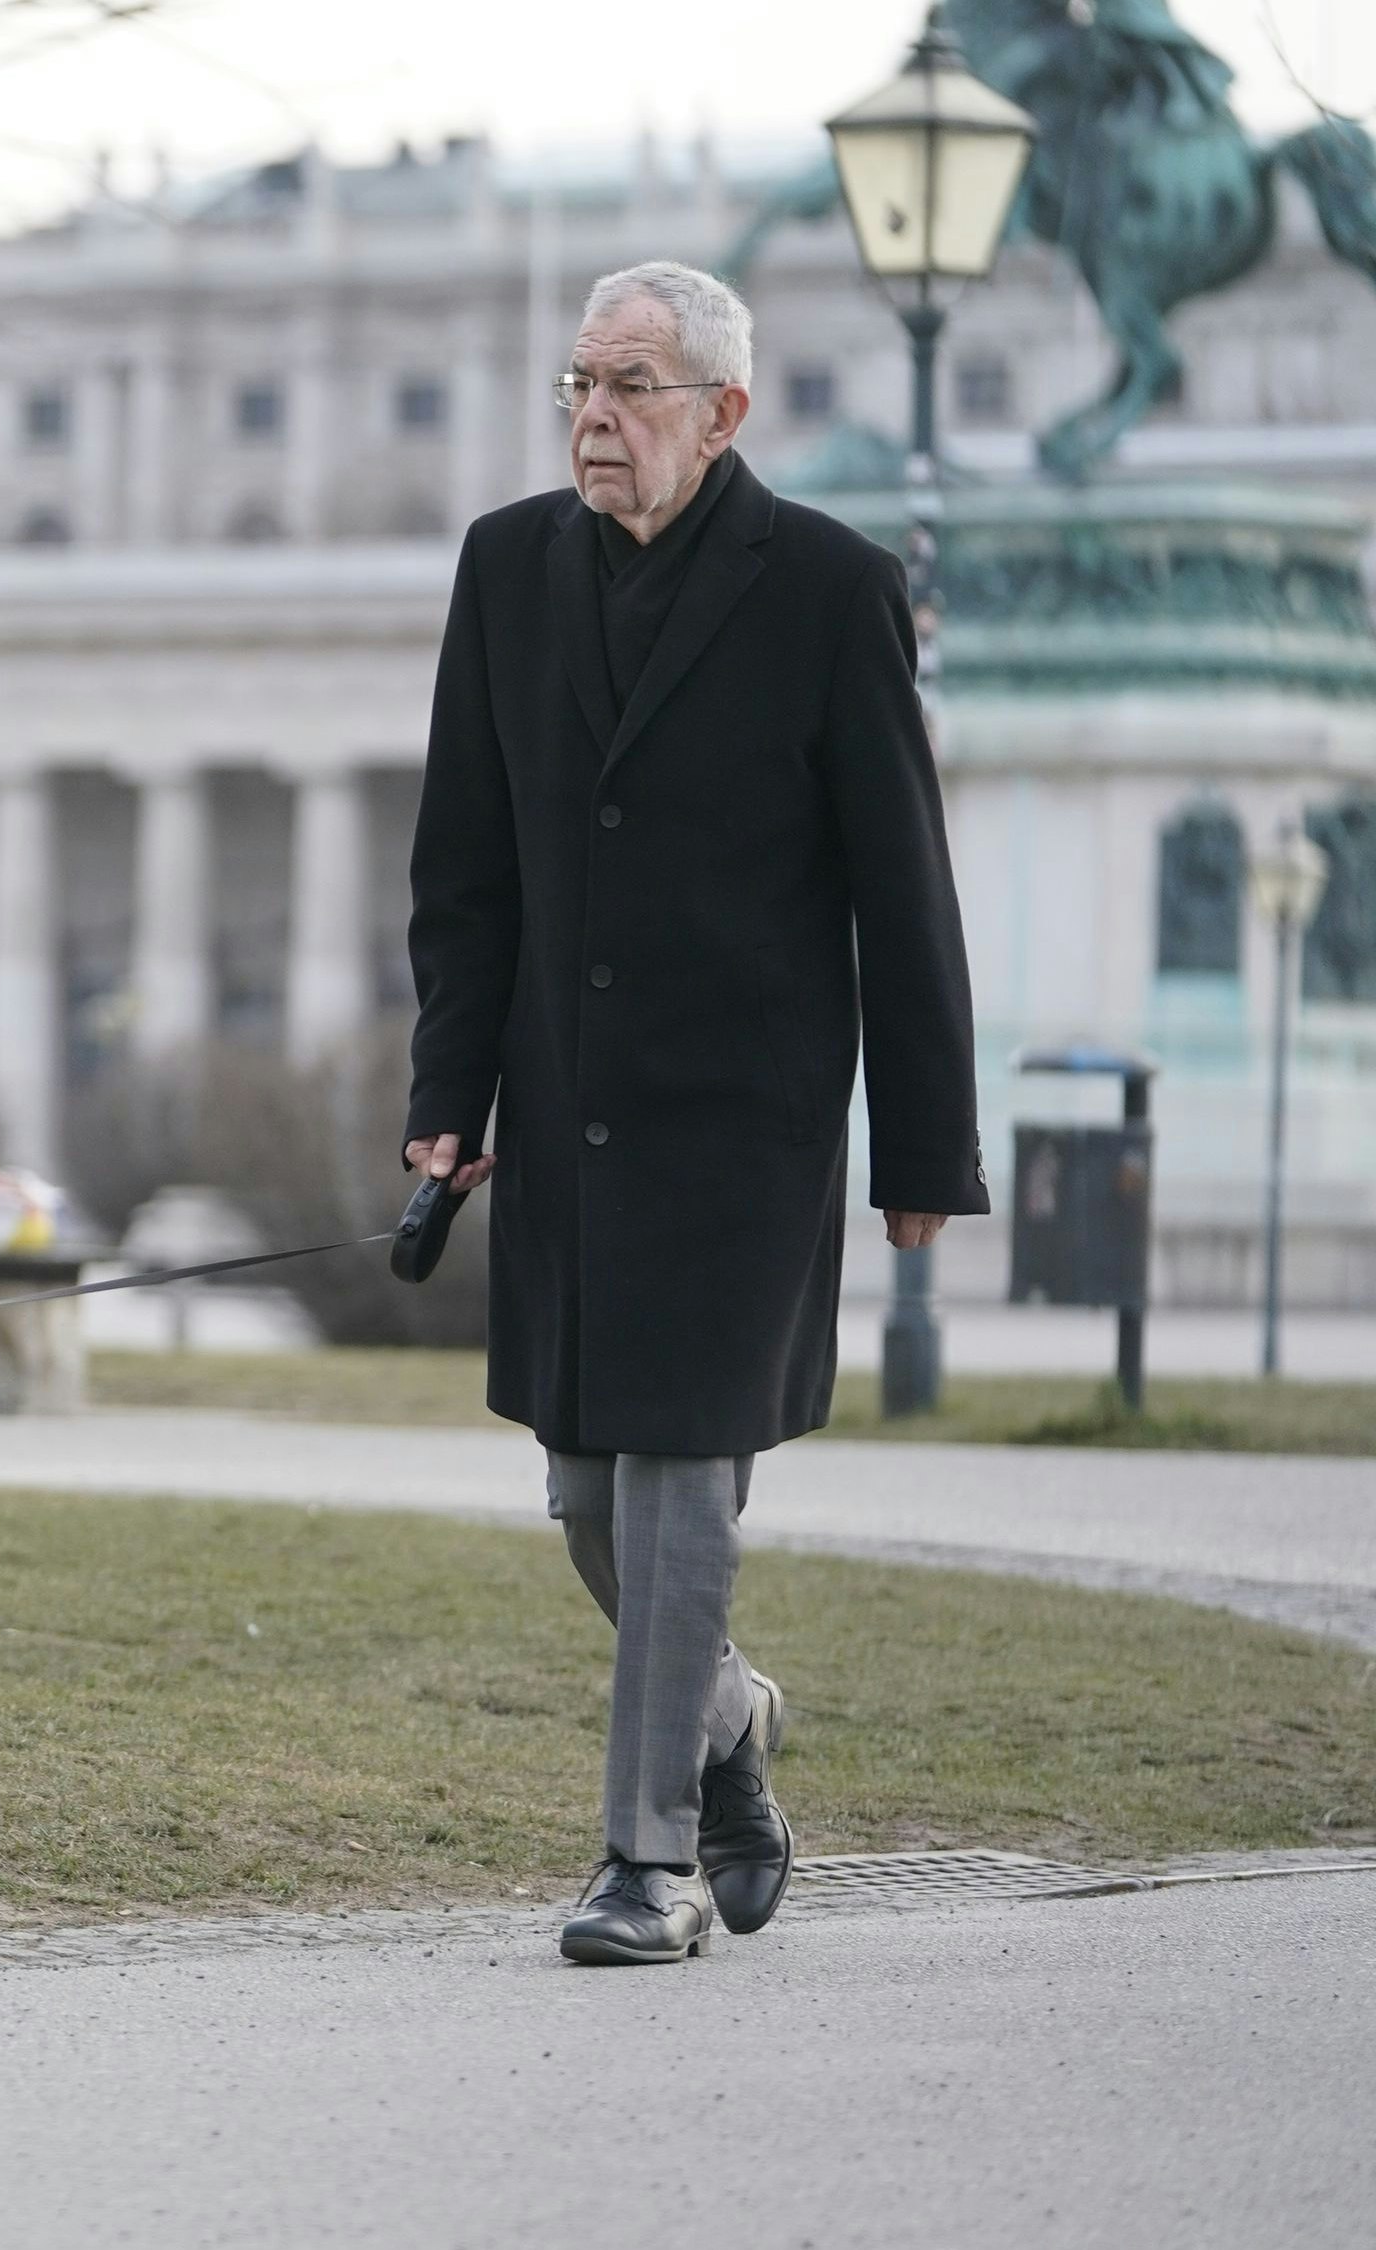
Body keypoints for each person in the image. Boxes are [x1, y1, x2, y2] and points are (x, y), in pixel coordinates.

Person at [404, 262, 987, 1967]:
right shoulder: (505, 570)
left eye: (632, 387)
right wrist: (449, 1096)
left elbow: (906, 893)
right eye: (580, 384)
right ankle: (729, 1724)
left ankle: (641, 1861)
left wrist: (924, 1153)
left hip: (747, 1129)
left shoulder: (828, 590)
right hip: (566, 1119)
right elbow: (465, 868)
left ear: (723, 415)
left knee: (677, 1486)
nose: (594, 417)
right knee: (587, 1500)